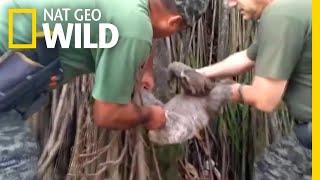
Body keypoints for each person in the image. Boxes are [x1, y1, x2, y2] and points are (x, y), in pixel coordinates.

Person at [0, 0, 209, 178]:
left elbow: (139, 26)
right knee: (15, 166)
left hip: (10, 35)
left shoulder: (132, 13)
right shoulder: (134, 30)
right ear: (175, 22)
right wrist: (150, 115)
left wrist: (144, 68)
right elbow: (106, 114)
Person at [181, 0, 311, 178]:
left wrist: (218, 91)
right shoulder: (298, 7)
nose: (230, 4)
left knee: (270, 173)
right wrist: (197, 73)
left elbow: (264, 99)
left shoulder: (281, 15)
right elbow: (247, 57)